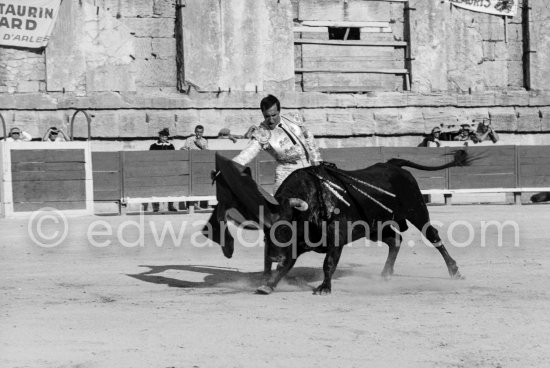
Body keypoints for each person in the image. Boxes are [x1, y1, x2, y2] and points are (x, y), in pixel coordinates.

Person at [232, 94, 322, 193]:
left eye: (274, 115)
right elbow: (247, 154)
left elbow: (308, 137)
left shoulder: (292, 118)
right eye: (267, 116)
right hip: (287, 173)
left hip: (311, 167)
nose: (271, 120)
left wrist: (316, 159)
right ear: (262, 113)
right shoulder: (262, 133)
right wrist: (227, 167)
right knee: (281, 203)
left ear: (279, 111)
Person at [147, 128, 177, 212]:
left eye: (166, 137)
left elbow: (174, 158)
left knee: (170, 188)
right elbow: (151, 158)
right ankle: (156, 207)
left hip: (168, 170)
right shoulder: (153, 146)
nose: (165, 139)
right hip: (157, 170)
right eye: (163, 137)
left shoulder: (171, 146)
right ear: (160, 137)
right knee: (156, 188)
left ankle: (170, 206)